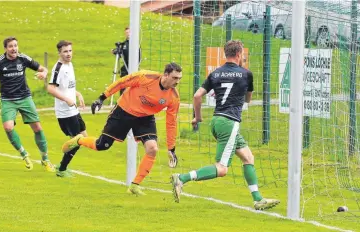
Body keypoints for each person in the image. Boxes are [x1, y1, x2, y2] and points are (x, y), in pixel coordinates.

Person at [171, 40, 280, 210]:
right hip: (229, 122)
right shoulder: (246, 74)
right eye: (242, 54)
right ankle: (182, 178)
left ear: (226, 54)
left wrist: (197, 117)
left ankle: (258, 199)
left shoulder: (216, 73)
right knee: (222, 169)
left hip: (216, 121)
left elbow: (197, 96)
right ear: (239, 54)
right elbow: (247, 100)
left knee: (248, 157)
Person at [62, 63, 182, 195]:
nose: (177, 81)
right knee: (102, 145)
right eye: (175, 78)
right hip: (124, 110)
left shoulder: (173, 97)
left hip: (145, 117)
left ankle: (134, 186)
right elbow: (122, 83)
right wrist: (102, 97)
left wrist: (172, 149)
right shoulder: (145, 77)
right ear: (165, 74)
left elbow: (171, 123)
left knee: (152, 148)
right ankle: (79, 140)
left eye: (179, 78)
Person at [0, 36, 55, 172]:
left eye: (15, 45)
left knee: (38, 128)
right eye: (11, 46)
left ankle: (45, 159)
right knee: (8, 127)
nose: (14, 48)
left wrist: (44, 73)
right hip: (7, 100)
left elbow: (43, 68)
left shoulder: (23, 58)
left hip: (25, 98)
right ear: (5, 49)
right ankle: (24, 154)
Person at [47, 40, 87, 177]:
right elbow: (51, 88)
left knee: (84, 137)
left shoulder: (70, 65)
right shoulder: (58, 68)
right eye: (65, 51)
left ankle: (62, 166)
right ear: (59, 53)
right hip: (65, 113)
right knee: (78, 140)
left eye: (70, 50)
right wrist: (67, 99)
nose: (68, 54)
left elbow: (66, 87)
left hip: (73, 110)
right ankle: (62, 169)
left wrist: (77, 94)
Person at [111, 26, 142, 95]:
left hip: (134, 66)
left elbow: (139, 56)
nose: (128, 34)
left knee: (134, 84)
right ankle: (122, 99)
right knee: (123, 83)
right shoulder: (124, 44)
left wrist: (137, 65)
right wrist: (115, 51)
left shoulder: (136, 43)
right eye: (126, 32)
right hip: (126, 67)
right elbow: (120, 52)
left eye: (129, 32)